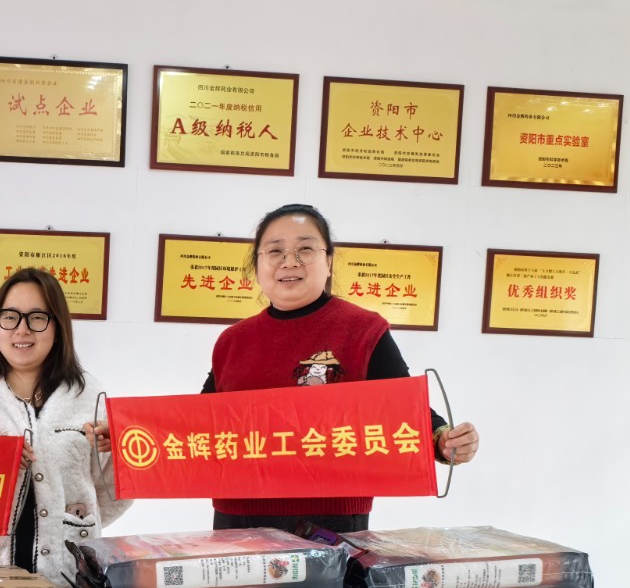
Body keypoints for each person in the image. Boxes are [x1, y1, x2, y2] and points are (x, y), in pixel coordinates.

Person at [201, 204, 479, 532]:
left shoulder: (363, 330)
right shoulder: (232, 340)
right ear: (258, 265)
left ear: (329, 261)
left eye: (305, 249)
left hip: (329, 520)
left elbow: (405, 409)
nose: (289, 261)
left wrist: (444, 439)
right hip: (238, 517)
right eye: (275, 251)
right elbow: (201, 421)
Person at [0, 267, 126, 584]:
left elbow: (112, 492)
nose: (22, 330)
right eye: (10, 317)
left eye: (37, 317)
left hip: (68, 575)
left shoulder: (89, 394)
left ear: (57, 327)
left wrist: (118, 453)